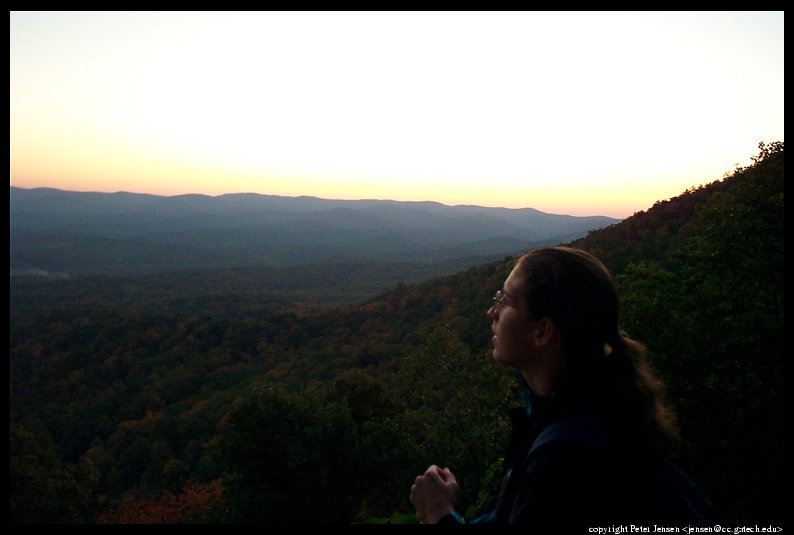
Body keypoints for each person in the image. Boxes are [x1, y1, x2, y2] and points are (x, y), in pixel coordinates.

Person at [409, 246, 712, 526]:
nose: (492, 312)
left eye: (506, 301)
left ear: (542, 331)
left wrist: (439, 513)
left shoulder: (569, 464)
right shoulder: (594, 416)